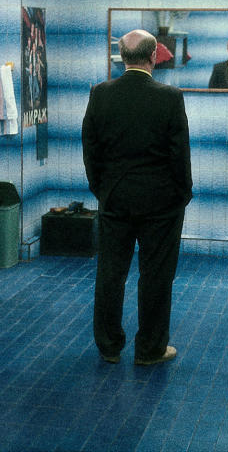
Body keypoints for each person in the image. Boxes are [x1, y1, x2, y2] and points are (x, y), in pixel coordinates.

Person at [82, 29, 193, 366]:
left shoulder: (100, 94)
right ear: (154, 57)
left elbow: (91, 149)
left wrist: (101, 189)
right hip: (161, 202)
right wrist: (182, 194)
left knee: (111, 273)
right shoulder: (170, 96)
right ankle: (150, 349)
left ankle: (109, 346)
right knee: (156, 276)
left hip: (114, 198)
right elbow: (179, 155)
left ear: (121, 57)